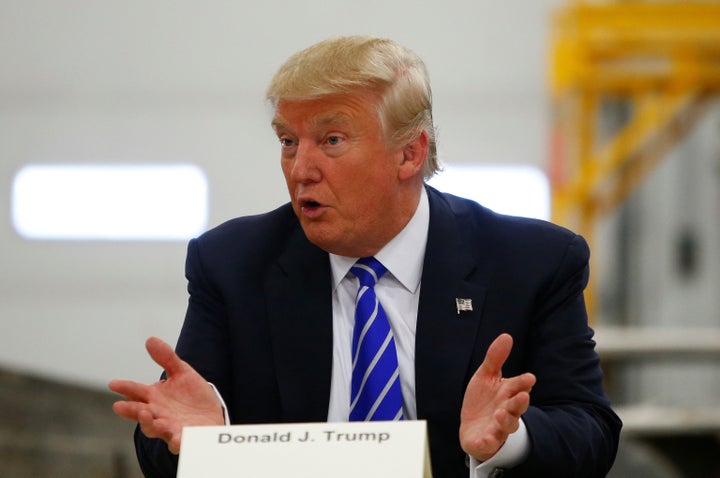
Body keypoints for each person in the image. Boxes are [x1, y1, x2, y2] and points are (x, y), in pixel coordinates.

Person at [109, 36, 621, 477]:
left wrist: (510, 439)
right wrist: (208, 439)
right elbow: (166, 441)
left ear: (410, 154)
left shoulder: (532, 262)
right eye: (288, 141)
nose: (300, 169)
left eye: (331, 140)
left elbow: (591, 430)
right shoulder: (233, 263)